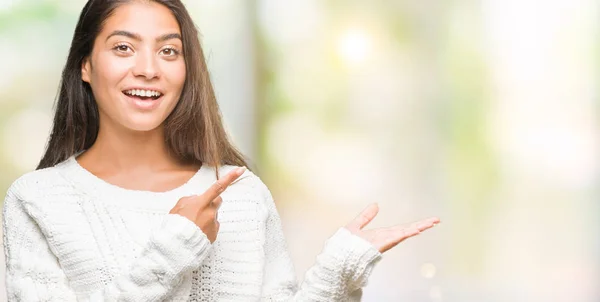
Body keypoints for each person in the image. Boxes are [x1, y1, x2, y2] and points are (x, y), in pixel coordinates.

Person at [2, 0, 440, 301]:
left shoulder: (242, 194)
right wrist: (175, 247)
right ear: (85, 65)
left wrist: (338, 271)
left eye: (169, 51)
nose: (149, 69)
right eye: (123, 47)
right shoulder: (38, 200)